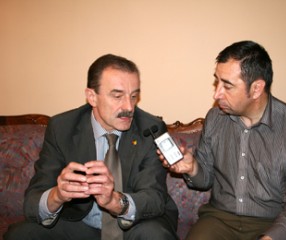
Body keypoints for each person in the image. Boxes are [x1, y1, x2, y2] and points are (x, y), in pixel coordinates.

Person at [159, 40, 286, 240]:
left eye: (227, 86)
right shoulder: (215, 118)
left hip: (273, 222)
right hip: (219, 218)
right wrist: (192, 168)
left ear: (256, 89)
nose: (216, 93)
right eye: (216, 81)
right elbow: (205, 179)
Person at [4, 54, 178, 240]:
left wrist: (114, 201)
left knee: (154, 235)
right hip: (80, 225)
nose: (129, 106)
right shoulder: (62, 128)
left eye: (134, 96)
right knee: (20, 235)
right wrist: (58, 195)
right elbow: (32, 200)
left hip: (135, 225)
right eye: (117, 96)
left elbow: (154, 198)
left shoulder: (150, 128)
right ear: (92, 97)